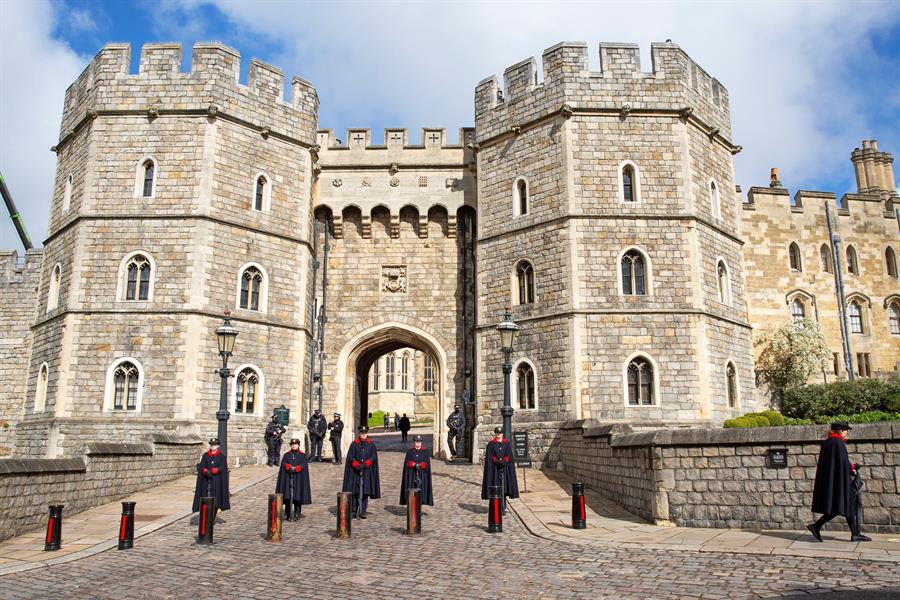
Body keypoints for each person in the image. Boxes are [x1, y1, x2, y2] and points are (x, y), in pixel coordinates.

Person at [808, 421, 871, 542]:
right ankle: (816, 526)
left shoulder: (828, 442)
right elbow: (842, 463)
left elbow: (836, 463)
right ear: (841, 430)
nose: (847, 433)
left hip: (833, 480)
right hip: (839, 481)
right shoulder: (838, 443)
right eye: (846, 430)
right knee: (844, 505)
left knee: (846, 506)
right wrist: (853, 467)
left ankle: (854, 534)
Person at [342, 426, 381, 519]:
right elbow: (350, 456)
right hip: (355, 471)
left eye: (365, 433)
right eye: (362, 433)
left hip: (366, 471)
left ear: (366, 434)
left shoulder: (371, 444)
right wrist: (356, 464)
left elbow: (373, 457)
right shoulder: (354, 444)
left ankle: (363, 511)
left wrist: (367, 463)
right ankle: (354, 510)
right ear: (359, 434)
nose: (363, 435)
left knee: (365, 492)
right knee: (355, 491)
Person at [481, 427, 519, 513]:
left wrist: (504, 461)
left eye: (500, 433)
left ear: (502, 434)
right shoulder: (491, 444)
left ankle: (503, 506)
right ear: (495, 434)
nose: (499, 435)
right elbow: (490, 457)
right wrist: (496, 461)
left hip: (504, 469)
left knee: (504, 488)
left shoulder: (506, 444)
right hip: (494, 470)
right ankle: (495, 507)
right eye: (497, 433)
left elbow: (508, 455)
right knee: (495, 488)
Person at [276, 438, 311, 521]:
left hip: (298, 477)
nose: (294, 446)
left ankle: (297, 512)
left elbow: (304, 464)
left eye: (295, 444)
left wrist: (298, 468)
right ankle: (287, 512)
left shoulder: (302, 455)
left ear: (298, 445)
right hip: (289, 476)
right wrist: (287, 466)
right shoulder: (287, 455)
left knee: (297, 494)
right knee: (288, 495)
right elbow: (284, 463)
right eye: (292, 444)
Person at [192, 437, 230, 514]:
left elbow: (223, 467)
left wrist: (214, 470)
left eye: (215, 445)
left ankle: (213, 515)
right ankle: (206, 515)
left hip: (216, 481)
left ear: (218, 446)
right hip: (206, 481)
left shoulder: (221, 456)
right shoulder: (206, 455)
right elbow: (201, 466)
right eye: (211, 445)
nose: (213, 446)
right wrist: (205, 471)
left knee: (215, 499)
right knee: (206, 497)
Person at [400, 435, 433, 506]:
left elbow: (427, 463)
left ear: (421, 442)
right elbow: (407, 463)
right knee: (412, 491)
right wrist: (413, 464)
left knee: (421, 491)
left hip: (422, 475)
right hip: (412, 475)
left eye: (419, 442)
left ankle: (421, 503)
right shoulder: (410, 452)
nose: (418, 443)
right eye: (417, 442)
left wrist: (422, 465)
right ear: (414, 442)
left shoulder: (426, 452)